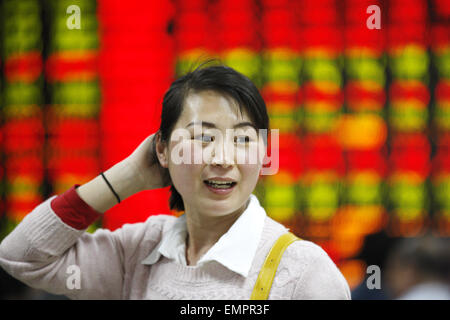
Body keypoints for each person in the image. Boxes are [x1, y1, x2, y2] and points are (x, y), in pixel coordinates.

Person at [0, 63, 351, 300]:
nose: (223, 159)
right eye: (203, 137)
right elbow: (22, 257)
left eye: (243, 139)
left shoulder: (303, 271)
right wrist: (129, 176)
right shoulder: (140, 252)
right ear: (162, 150)